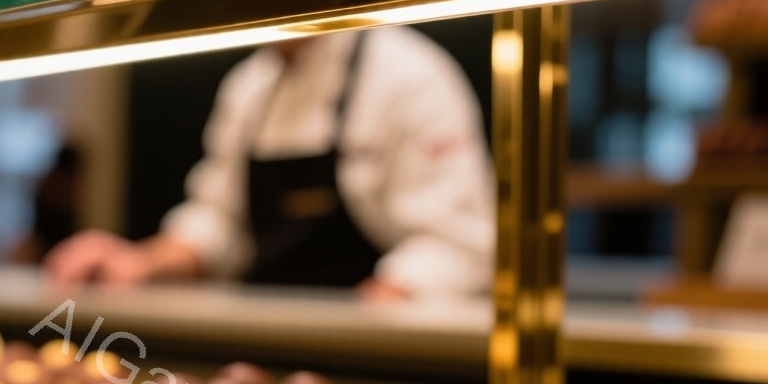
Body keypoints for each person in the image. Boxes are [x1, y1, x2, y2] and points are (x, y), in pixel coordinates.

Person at [44, 27, 495, 301]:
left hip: (381, 358)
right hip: (270, 352)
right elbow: (219, 221)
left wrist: (385, 301)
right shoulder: (248, 87)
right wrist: (139, 262)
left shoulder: (412, 76)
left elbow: (460, 243)